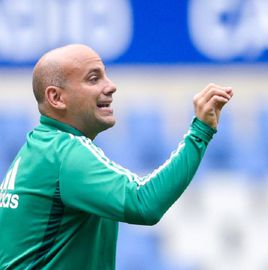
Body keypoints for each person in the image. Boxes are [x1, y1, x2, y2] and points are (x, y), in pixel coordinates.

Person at [0, 44, 233, 269]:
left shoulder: (40, 148)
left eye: (105, 76)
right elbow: (144, 203)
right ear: (57, 98)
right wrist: (200, 132)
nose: (111, 86)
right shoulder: (65, 153)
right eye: (93, 78)